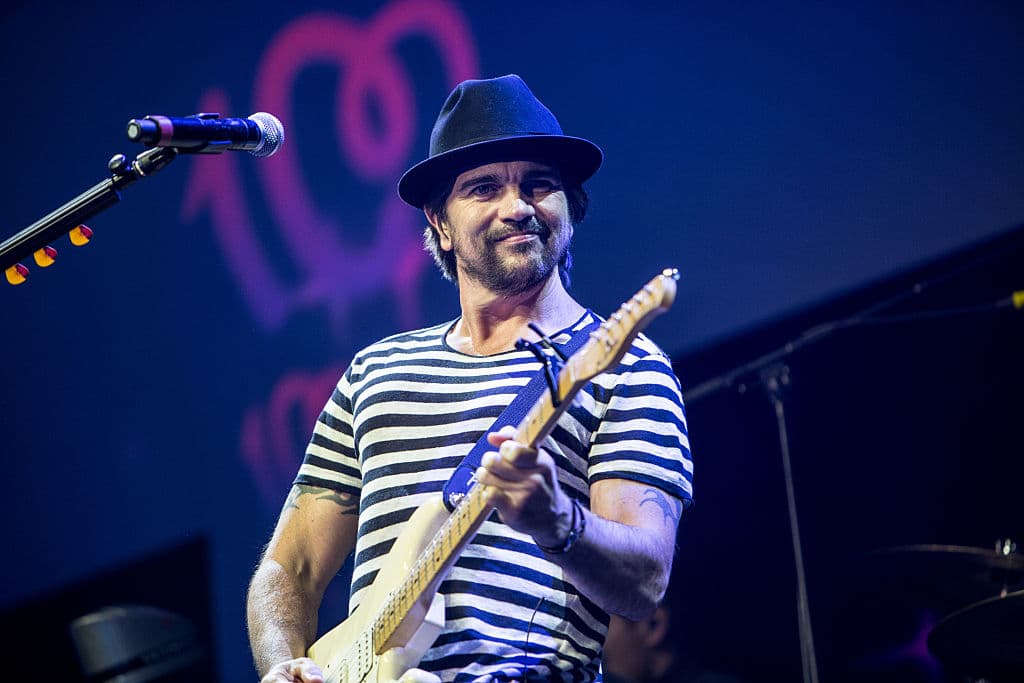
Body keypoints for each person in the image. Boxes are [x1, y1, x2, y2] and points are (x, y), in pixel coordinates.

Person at [246, 74, 693, 683]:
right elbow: (289, 568)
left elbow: (645, 582)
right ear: (440, 223)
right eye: (484, 188)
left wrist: (556, 520)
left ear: (570, 207)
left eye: (539, 184)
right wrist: (281, 666)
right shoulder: (374, 373)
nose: (517, 207)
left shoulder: (627, 365)